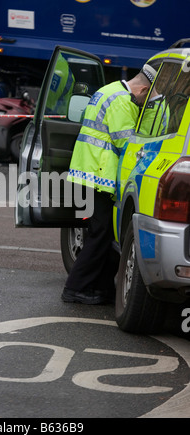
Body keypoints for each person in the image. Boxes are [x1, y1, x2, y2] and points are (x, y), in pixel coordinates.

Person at [62, 63, 157, 305]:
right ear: (143, 90)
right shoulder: (123, 101)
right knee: (101, 234)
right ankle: (75, 288)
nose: (142, 105)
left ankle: (101, 289)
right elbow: (126, 143)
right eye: (146, 100)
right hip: (97, 176)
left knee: (102, 234)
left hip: (86, 172)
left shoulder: (108, 90)